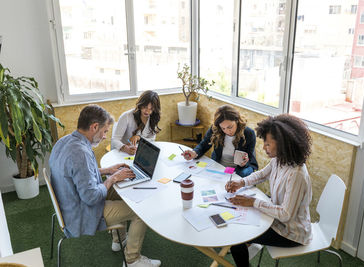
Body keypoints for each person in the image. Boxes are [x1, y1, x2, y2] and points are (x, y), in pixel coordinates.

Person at [49, 105, 161, 267]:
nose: (104, 137)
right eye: (105, 132)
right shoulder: (81, 153)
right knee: (140, 212)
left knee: (117, 189)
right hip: (81, 213)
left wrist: (107, 170)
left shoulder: (64, 141)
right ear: (94, 127)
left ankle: (119, 240)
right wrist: (112, 178)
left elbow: (78, 173)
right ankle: (132, 260)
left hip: (68, 202)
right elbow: (91, 196)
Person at [225, 114, 313, 267]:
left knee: (236, 236)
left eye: (267, 144)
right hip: (277, 219)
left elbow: (285, 215)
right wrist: (241, 182)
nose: (264, 148)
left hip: (291, 233)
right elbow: (262, 174)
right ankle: (250, 245)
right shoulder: (280, 159)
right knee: (242, 214)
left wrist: (253, 202)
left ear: (282, 144)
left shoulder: (297, 174)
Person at [182, 105, 258, 177]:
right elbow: (204, 144)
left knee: (241, 175)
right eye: (223, 128)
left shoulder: (248, 133)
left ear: (237, 120)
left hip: (240, 168)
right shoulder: (215, 129)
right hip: (220, 164)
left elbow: (250, 157)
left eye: (230, 127)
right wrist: (194, 153)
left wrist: (244, 163)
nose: (227, 131)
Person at [112, 90, 161, 155]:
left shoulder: (153, 118)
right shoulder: (126, 116)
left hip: (139, 153)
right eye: (145, 107)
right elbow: (115, 140)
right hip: (122, 153)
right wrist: (126, 148)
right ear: (140, 104)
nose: (147, 111)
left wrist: (138, 137)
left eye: (151, 109)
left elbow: (152, 140)